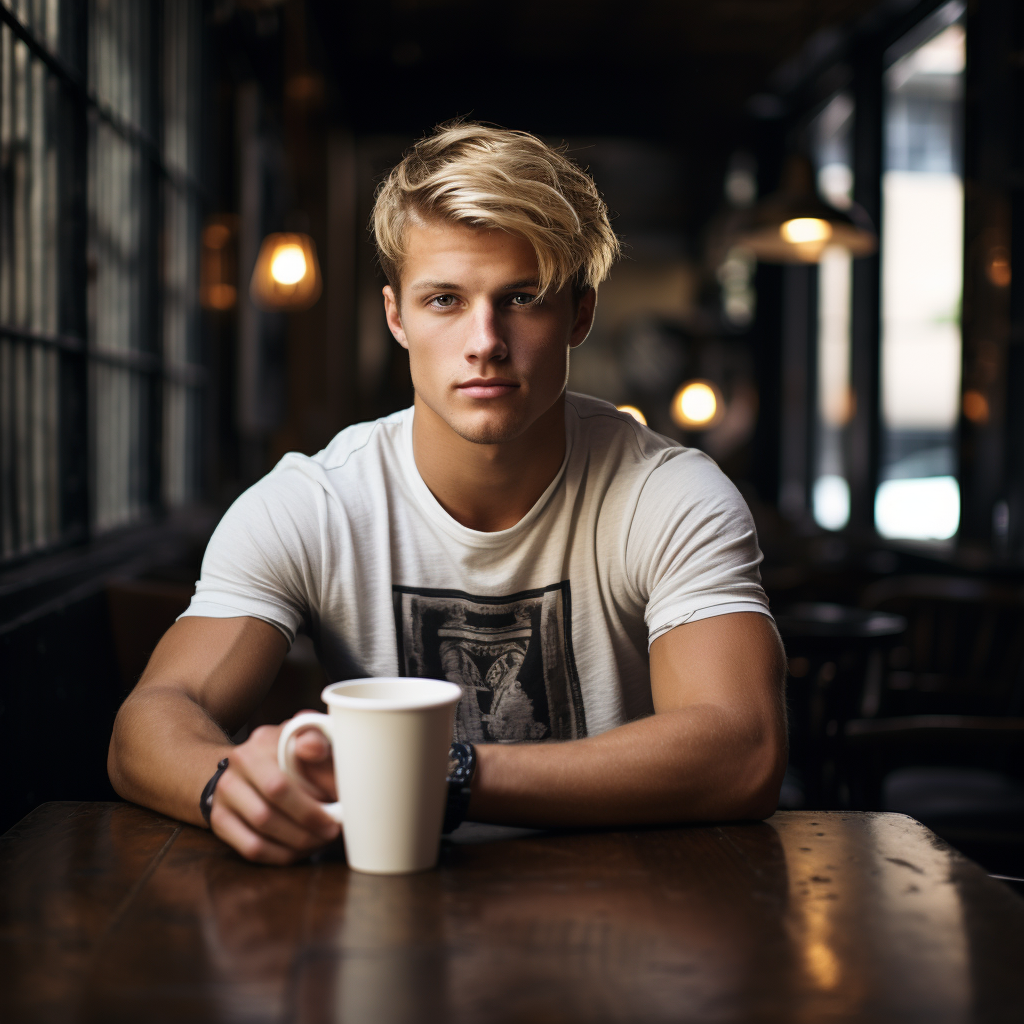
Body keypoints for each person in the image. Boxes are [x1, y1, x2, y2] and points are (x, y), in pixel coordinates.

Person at [108, 122, 787, 865]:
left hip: (626, 911)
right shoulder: (314, 502)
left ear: (579, 315)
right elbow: (153, 719)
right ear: (396, 315)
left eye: (523, 298)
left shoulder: (671, 494)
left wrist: (445, 774)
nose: (485, 340)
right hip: (388, 902)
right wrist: (224, 784)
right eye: (444, 300)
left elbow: (743, 748)